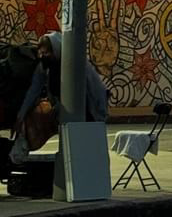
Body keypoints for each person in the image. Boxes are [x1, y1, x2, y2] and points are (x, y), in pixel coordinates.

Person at [12, 31, 108, 159]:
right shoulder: (45, 66)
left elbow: (95, 91)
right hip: (64, 110)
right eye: (41, 52)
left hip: (87, 112)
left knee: (86, 151)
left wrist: (98, 116)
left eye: (46, 52)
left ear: (55, 51)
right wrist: (21, 115)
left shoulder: (75, 64)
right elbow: (33, 91)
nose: (42, 55)